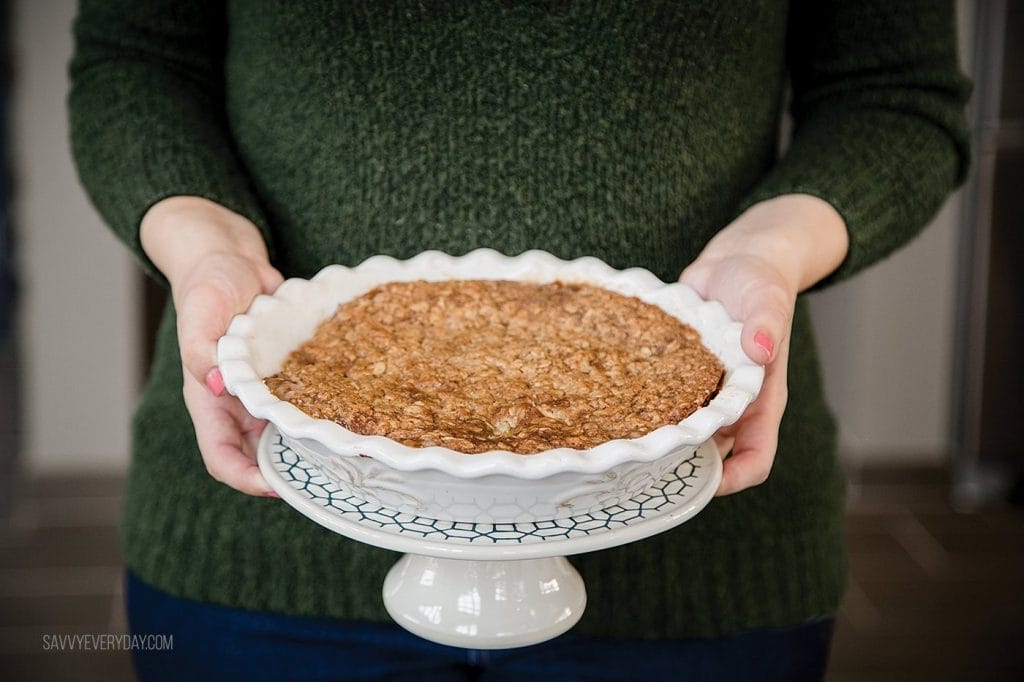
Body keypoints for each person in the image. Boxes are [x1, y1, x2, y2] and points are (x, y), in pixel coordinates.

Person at [68, 1, 970, 680]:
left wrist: (768, 254)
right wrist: (202, 246)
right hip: (259, 554)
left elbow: (891, 94)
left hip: (705, 572)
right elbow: (136, 61)